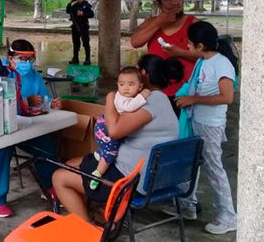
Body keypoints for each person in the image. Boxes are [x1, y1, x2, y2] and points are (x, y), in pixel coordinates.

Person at [52, 54, 182, 222]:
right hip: (146, 170)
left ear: (143, 74)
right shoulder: (159, 98)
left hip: (131, 178)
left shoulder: (151, 100)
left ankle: (89, 231)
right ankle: (102, 213)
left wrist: (110, 98)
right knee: (71, 163)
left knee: (59, 177)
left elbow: (114, 131)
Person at [0, 39, 63, 218]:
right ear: (11, 58)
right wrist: (26, 102)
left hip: (26, 126)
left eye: (30, 59)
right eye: (21, 58)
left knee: (46, 147)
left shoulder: (35, 76)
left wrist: (50, 103)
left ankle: (48, 186)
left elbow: (43, 100)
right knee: (0, 151)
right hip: (2, 126)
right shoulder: (1, 74)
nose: (26, 63)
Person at [171, 21, 238, 235]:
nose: (188, 47)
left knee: (214, 168)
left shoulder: (221, 64)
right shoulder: (204, 61)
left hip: (210, 124)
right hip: (198, 121)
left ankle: (228, 216)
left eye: (190, 44)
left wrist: (193, 99)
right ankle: (187, 204)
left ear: (200, 45)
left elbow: (226, 97)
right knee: (192, 164)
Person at [130, 0, 199, 116]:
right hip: (155, 93)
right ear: (158, 3)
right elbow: (135, 42)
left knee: (182, 135)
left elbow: (208, 57)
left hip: (185, 93)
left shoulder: (193, 23)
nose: (175, 3)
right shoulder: (152, 22)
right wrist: (159, 22)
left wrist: (180, 52)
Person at [89, 67, 151, 190]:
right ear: (117, 85)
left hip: (105, 124)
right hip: (105, 128)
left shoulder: (128, 95)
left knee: (110, 148)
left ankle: (100, 153)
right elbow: (129, 107)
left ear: (140, 86)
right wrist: (142, 97)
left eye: (131, 84)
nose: (126, 88)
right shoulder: (120, 97)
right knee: (111, 153)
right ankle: (97, 174)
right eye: (122, 84)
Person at [66, 0, 94, 65]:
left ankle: (87, 59)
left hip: (83, 27)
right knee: (76, 43)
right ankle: (75, 58)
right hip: (75, 27)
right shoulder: (75, 5)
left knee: (86, 43)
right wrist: (70, 2)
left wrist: (83, 13)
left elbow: (91, 14)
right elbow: (68, 10)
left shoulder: (86, 5)